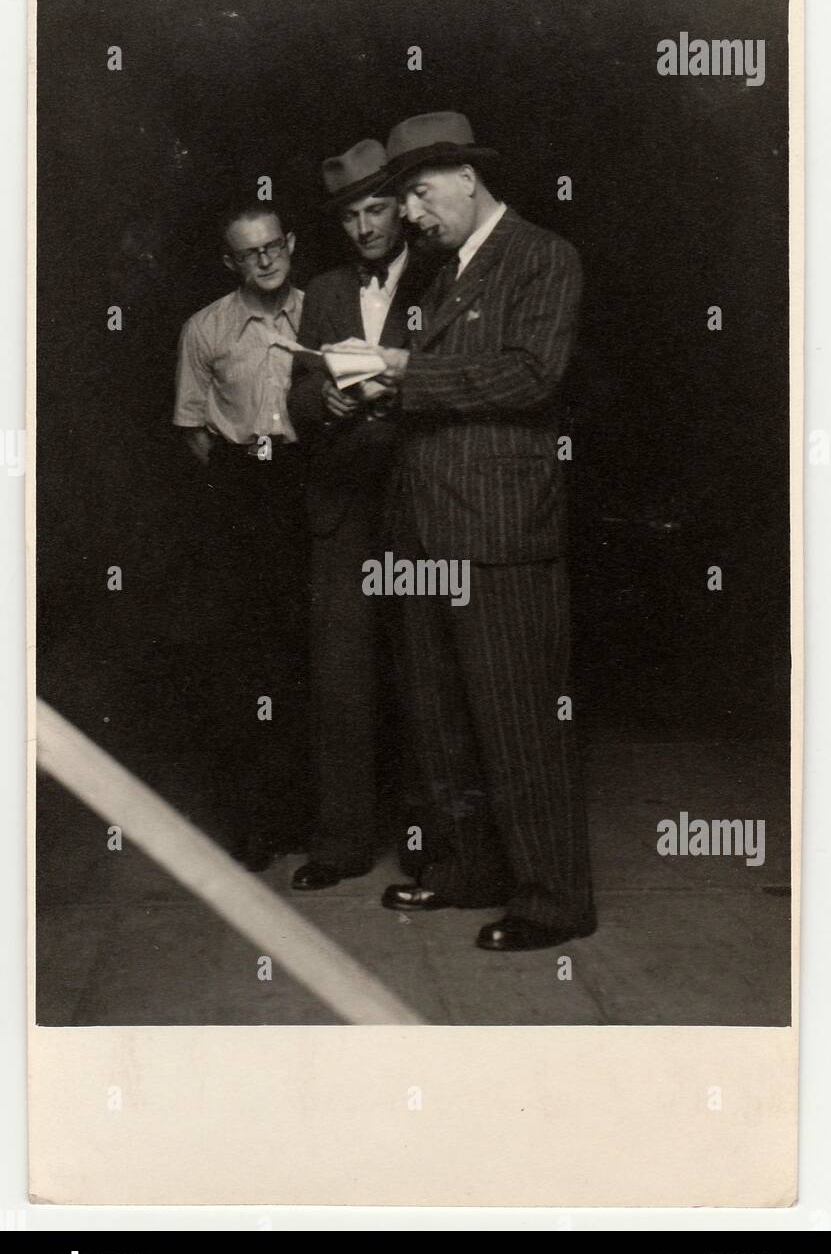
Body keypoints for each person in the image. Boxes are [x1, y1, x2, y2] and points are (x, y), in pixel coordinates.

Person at [365, 112, 597, 952]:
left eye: (420, 194)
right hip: (421, 532)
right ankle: (470, 869)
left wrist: (407, 373)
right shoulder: (434, 275)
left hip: (498, 530)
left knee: (518, 719)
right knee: (440, 716)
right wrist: (374, 383)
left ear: (468, 177)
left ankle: (552, 900)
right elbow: (433, 384)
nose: (412, 217)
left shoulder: (543, 256)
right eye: (402, 201)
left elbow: (531, 374)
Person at [288, 140, 434, 891]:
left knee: (422, 674)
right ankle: (341, 844)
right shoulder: (323, 290)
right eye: (350, 216)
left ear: (400, 210)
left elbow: (455, 379)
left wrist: (396, 391)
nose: (365, 227)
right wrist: (327, 401)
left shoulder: (442, 279)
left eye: (376, 209)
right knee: (341, 681)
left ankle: (424, 847)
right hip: (343, 509)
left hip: (419, 506)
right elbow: (297, 393)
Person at [173, 198, 309, 869]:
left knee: (313, 651)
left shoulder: (325, 311)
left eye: (273, 245)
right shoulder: (205, 328)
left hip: (311, 485)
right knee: (248, 659)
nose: (265, 259)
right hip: (241, 494)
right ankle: (255, 823)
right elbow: (194, 429)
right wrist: (244, 476)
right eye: (249, 252)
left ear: (289, 243)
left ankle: (312, 818)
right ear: (230, 262)